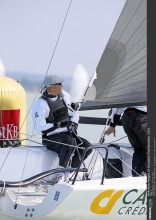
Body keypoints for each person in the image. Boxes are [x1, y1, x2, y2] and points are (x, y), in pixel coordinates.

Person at [32, 75, 93, 182]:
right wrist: (57, 126)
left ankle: (67, 173)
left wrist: (74, 123)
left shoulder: (65, 96)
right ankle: (60, 173)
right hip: (51, 139)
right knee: (69, 141)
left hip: (68, 134)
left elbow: (75, 113)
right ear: (52, 87)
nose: (62, 85)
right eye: (60, 84)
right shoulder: (40, 104)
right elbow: (39, 128)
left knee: (87, 146)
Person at [104, 106, 147, 177]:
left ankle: (136, 175)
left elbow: (117, 107)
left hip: (127, 118)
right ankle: (145, 173)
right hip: (141, 117)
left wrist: (112, 125)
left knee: (138, 150)